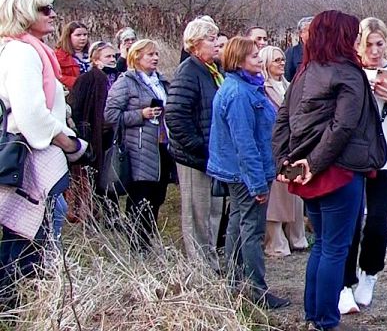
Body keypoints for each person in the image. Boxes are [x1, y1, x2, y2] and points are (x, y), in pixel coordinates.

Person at [272, 10, 382, 331]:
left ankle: (314, 317)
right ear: (341, 37)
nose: (357, 41)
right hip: (339, 172)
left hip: (311, 172)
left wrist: (284, 162)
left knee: (322, 245)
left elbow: (283, 120)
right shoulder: (348, 72)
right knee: (334, 248)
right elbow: (342, 126)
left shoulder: (306, 71)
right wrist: (312, 163)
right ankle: (324, 321)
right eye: (354, 36)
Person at [0, 0, 88, 306]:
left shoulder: (28, 50)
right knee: (29, 230)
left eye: (52, 7)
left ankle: (24, 302)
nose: (53, 14)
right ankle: (19, 304)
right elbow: (31, 116)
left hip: (30, 153)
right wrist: (70, 144)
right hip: (27, 156)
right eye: (44, 9)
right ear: (23, 13)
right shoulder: (22, 53)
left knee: (36, 224)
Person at [339, 18, 387, 313]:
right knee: (349, 222)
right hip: (352, 158)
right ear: (358, 45)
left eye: (379, 44)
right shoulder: (350, 70)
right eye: (368, 44)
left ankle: (369, 272)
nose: (374, 51)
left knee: (378, 223)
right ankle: (344, 284)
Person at [207, 37, 290, 309]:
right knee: (252, 231)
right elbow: (245, 144)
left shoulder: (246, 87)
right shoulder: (239, 94)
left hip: (244, 172)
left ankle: (235, 283)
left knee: (238, 224)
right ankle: (256, 290)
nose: (259, 59)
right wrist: (257, 184)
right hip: (246, 174)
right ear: (239, 60)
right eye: (254, 56)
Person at [166, 17, 226, 269]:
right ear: (195, 43)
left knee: (213, 210)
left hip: (214, 156)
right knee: (197, 212)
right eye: (211, 39)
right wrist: (198, 146)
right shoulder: (188, 71)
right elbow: (175, 115)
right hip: (194, 157)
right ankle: (200, 268)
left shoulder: (213, 71)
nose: (216, 44)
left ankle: (211, 261)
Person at [103, 39, 174, 250]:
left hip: (162, 145)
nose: (155, 58)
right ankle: (137, 246)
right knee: (141, 197)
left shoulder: (161, 81)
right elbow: (110, 115)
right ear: (136, 57)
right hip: (139, 148)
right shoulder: (126, 82)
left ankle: (148, 241)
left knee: (158, 196)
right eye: (150, 54)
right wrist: (140, 114)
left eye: (156, 54)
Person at [259, 45, 307, 258]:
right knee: (277, 199)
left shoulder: (289, 85)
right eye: (276, 60)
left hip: (295, 147)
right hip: (276, 148)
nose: (281, 63)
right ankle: (275, 242)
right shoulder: (262, 88)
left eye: (282, 59)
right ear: (266, 63)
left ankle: (297, 237)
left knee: (295, 193)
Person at [67, 41, 120, 222]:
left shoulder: (117, 77)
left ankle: (112, 216)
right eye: (108, 56)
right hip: (94, 136)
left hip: (112, 134)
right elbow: (76, 107)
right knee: (93, 178)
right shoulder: (87, 79)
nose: (112, 59)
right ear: (96, 60)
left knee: (110, 174)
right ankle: (90, 215)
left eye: (113, 56)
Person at [54, 20, 90, 89]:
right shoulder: (58, 56)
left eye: (85, 35)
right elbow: (56, 76)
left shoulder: (92, 53)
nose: (83, 38)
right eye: (78, 35)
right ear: (68, 37)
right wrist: (78, 82)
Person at [285, 16, 313, 82]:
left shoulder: (323, 52)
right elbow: (287, 77)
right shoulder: (292, 52)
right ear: (301, 33)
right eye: (310, 30)